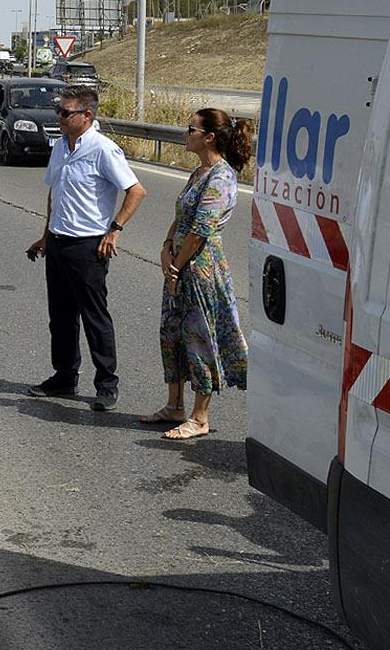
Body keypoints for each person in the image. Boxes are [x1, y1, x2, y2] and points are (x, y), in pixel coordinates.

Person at [25, 85, 147, 411]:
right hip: (59, 241)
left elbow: (136, 191)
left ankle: (107, 385)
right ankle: (64, 377)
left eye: (66, 113)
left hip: (88, 247)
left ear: (86, 116)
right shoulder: (60, 146)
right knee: (61, 317)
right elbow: (56, 194)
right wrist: (45, 235)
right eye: (59, 111)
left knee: (95, 318)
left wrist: (115, 230)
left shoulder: (103, 149)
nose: (59, 118)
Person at [141, 108, 252, 439]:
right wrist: (165, 246)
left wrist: (176, 265)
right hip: (179, 262)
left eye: (191, 129)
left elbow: (201, 230)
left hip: (200, 268)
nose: (185, 133)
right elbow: (182, 216)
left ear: (209, 137)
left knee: (199, 336)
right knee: (172, 333)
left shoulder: (221, 177)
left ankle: (199, 417)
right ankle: (174, 405)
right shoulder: (198, 172)